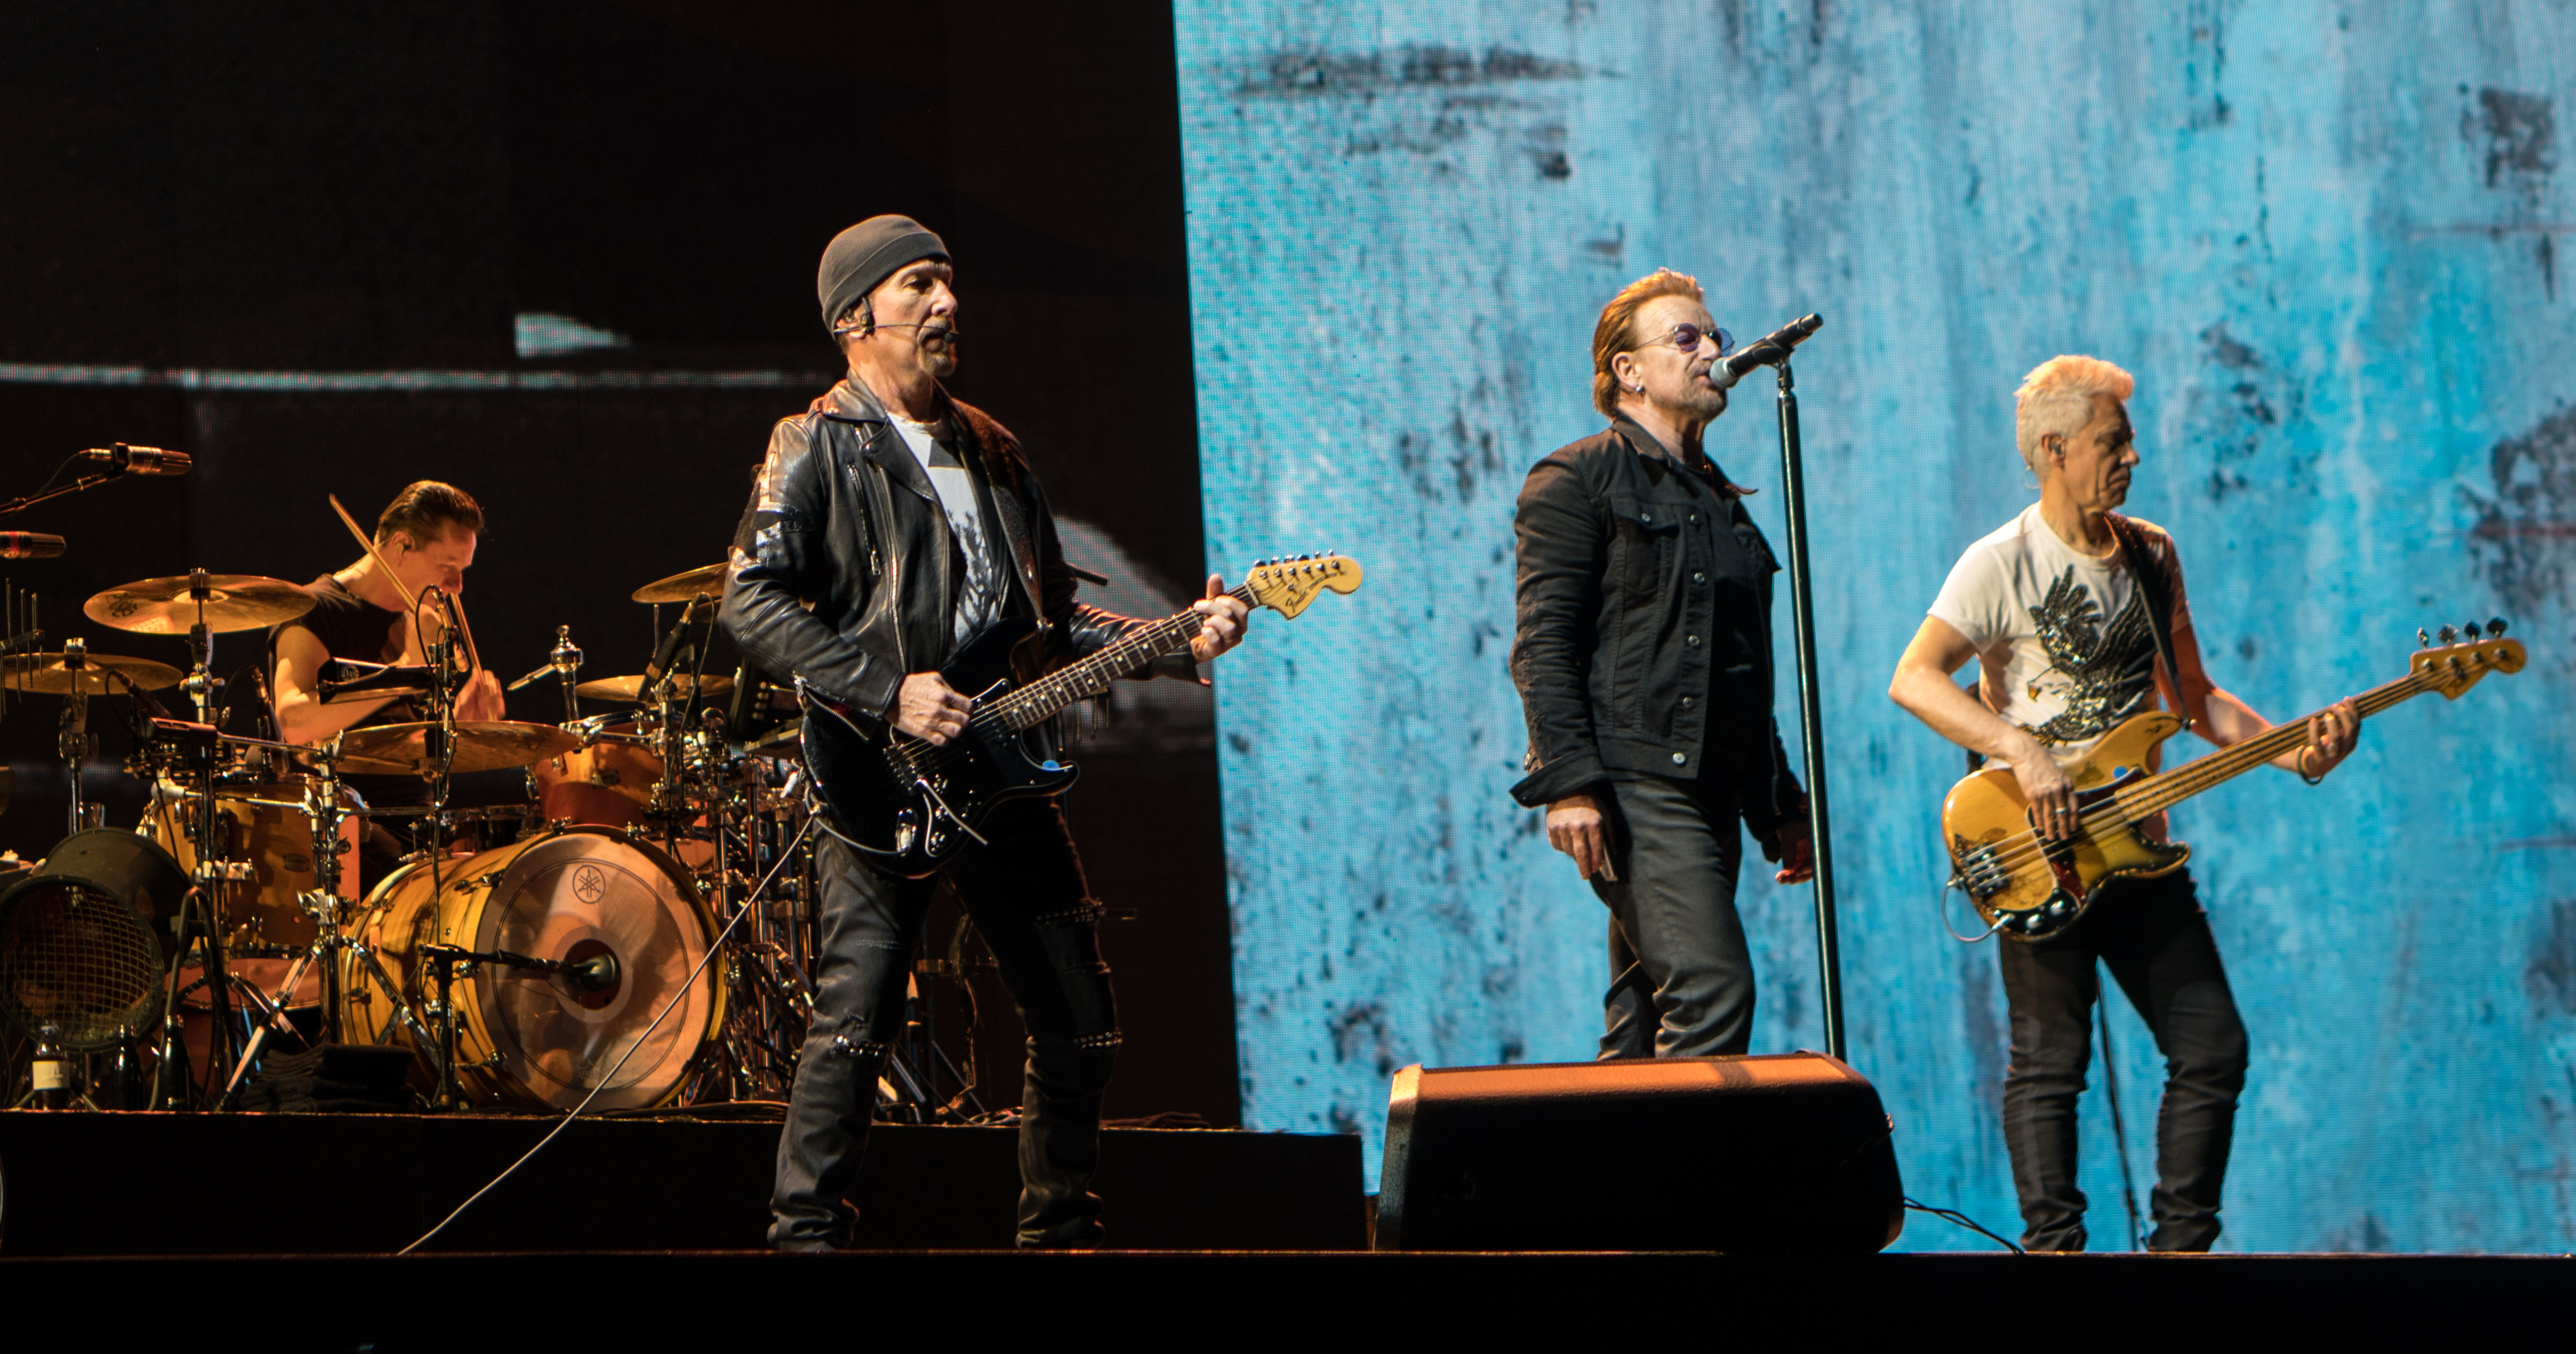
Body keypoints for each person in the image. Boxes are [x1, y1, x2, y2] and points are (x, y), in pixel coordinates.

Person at [723, 214, 1249, 1250]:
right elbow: (749, 604)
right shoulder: (815, 444)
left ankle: (1058, 1235)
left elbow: (1048, 625)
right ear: (853, 315)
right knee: (855, 1018)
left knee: (1080, 1015)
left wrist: (1177, 638)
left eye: (948, 283)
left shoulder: (991, 447)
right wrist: (886, 690)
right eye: (918, 285)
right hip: (878, 768)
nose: (945, 303)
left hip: (998, 764)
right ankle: (803, 1242)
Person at [1886, 354, 2360, 1252]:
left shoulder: (2151, 553)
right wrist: (2021, 750)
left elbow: (2195, 697)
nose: (2132, 458)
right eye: (2114, 441)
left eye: (2130, 440)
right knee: (2050, 1065)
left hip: (2140, 844)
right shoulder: (1998, 563)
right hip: (2039, 849)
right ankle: (2056, 1259)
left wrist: (2290, 745)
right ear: (2054, 450)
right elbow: (1913, 679)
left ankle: (2177, 1259)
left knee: (2211, 1045)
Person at [1509, 267, 1814, 1062]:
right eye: (1685, 336)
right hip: (1637, 782)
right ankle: (1688, 1192)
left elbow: (1741, 668)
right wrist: (1568, 781)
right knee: (1712, 992)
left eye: (1712, 334)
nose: (1710, 347)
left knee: (1642, 1027)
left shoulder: (1722, 503)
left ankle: (1605, 1189)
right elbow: (1543, 641)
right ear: (1628, 371)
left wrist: (1776, 798)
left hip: (1711, 785)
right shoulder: (1576, 478)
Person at [268, 481, 505, 879]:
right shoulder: (317, 609)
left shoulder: (419, 621)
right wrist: (408, 670)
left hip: (422, 829)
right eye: (447, 568)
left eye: (462, 572)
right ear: (400, 546)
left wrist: (460, 728)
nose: (457, 587)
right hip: (351, 834)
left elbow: (403, 745)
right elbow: (294, 721)